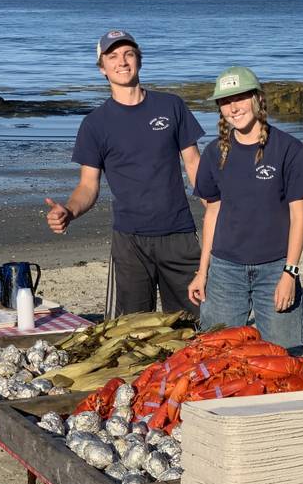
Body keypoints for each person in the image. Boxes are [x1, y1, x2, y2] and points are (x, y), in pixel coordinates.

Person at [45, 30, 204, 318]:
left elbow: (194, 163)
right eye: (113, 56)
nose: (122, 61)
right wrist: (69, 210)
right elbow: (88, 186)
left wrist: (216, 205)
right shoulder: (95, 124)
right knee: (133, 331)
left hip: (179, 234)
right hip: (130, 242)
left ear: (139, 61)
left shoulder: (171, 106)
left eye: (128, 54)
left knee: (191, 327)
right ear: (102, 68)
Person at [188, 67, 303, 351]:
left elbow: (299, 218)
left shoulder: (288, 149)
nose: (233, 108)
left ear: (258, 99)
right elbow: (212, 213)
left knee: (284, 357)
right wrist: (203, 272)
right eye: (225, 101)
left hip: (275, 269)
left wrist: (290, 273)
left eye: (240, 98)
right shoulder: (214, 153)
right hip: (224, 270)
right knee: (215, 353)